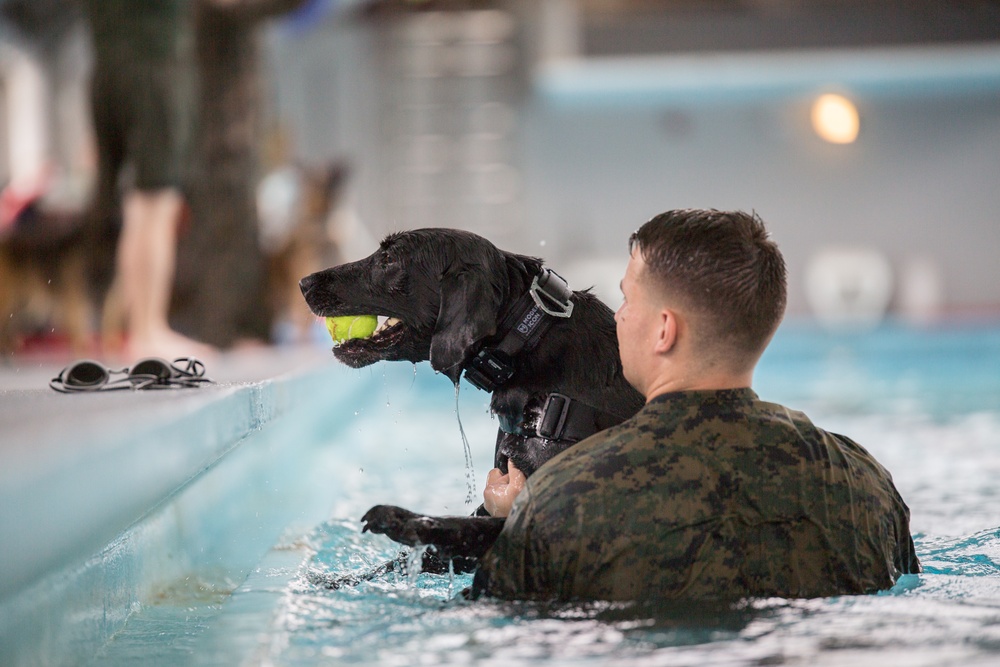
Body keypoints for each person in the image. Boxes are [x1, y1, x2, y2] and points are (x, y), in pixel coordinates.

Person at [474, 209, 919, 601]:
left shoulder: (564, 498)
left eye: (627, 299)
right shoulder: (866, 482)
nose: (618, 316)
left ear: (665, 330)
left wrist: (511, 525)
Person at [83, 0, 213, 359]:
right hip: (154, 67)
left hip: (105, 70)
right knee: (155, 205)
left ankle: (135, 328)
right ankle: (147, 330)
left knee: (133, 205)